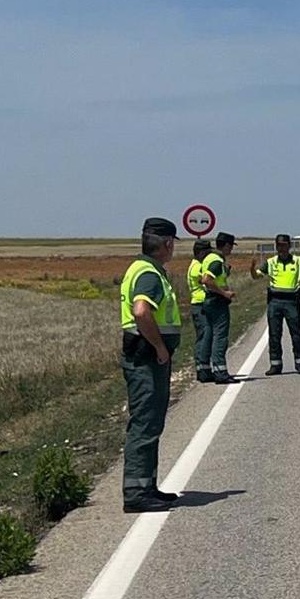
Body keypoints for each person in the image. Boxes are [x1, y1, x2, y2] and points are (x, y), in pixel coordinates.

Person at [120, 218, 183, 513]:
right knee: (146, 422)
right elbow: (142, 311)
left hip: (144, 356)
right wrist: (160, 347)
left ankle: (147, 486)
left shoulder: (143, 268)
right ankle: (136, 492)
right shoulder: (149, 274)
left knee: (150, 421)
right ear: (167, 243)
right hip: (146, 357)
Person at [250, 233, 300, 375]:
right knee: (274, 334)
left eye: (284, 245)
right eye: (279, 245)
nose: (281, 248)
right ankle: (275, 364)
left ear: (289, 245)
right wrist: (252, 269)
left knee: (296, 333)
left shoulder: (298, 261)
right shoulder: (271, 262)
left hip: (292, 301)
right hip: (275, 301)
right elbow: (257, 276)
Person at [196, 231, 238, 384]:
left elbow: (202, 278)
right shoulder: (216, 260)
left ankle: (205, 369)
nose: (231, 250)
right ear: (226, 245)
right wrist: (224, 293)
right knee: (220, 336)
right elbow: (207, 280)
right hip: (217, 301)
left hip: (209, 300)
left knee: (209, 335)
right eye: (231, 246)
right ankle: (220, 371)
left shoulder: (209, 258)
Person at [186, 239, 213, 382]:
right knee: (204, 336)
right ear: (201, 252)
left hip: (199, 304)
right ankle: (202, 369)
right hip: (200, 304)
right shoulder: (197, 267)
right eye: (207, 252)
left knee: (203, 335)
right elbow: (206, 280)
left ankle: (203, 368)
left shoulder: (195, 265)